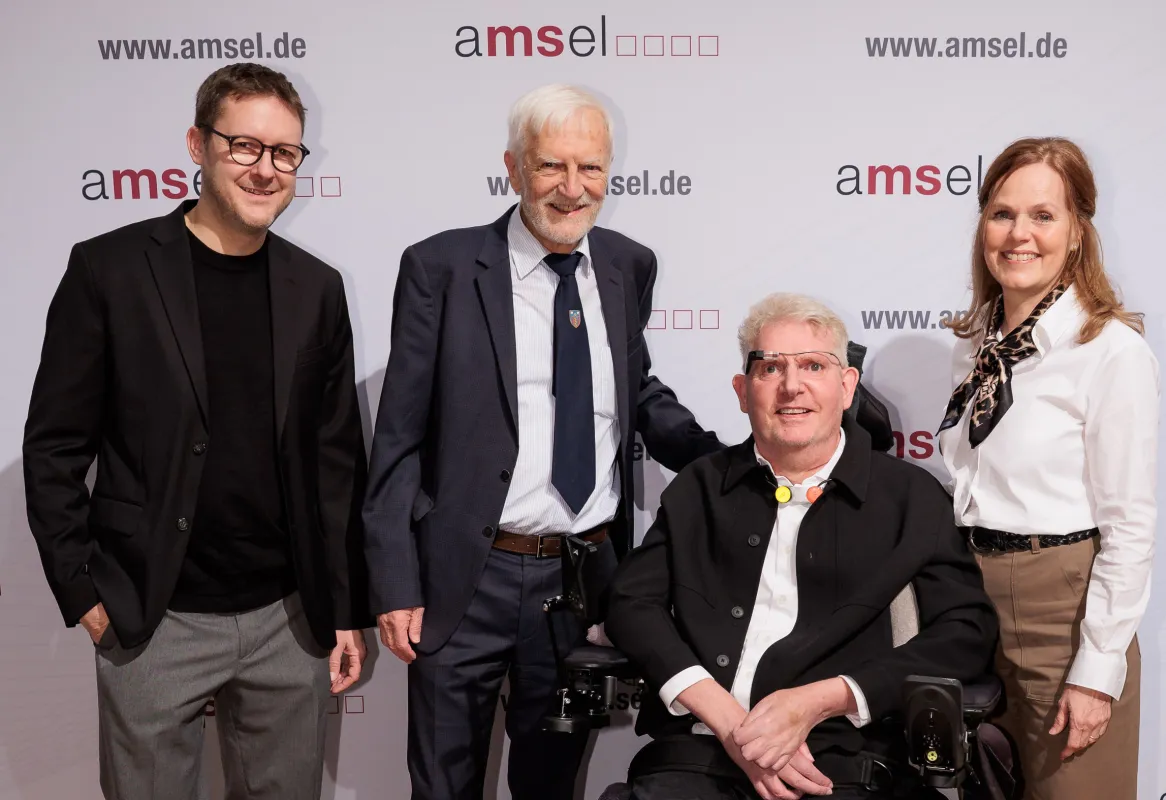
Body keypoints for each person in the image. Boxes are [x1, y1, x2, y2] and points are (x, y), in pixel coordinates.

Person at [359, 83, 726, 800]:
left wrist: (729, 463)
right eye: (551, 165)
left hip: (581, 582)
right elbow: (399, 434)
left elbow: (632, 390)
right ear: (513, 167)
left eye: (591, 167)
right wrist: (395, 582)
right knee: (443, 787)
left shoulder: (628, 265)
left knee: (552, 787)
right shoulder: (441, 267)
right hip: (464, 579)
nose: (572, 187)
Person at [22, 63, 372, 800]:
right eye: (244, 145)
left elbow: (336, 462)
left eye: (285, 153)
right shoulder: (109, 270)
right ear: (197, 144)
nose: (265, 169)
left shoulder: (317, 287)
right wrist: (83, 593)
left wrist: (343, 608)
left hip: (288, 620)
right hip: (154, 618)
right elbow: (54, 447)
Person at [604, 293, 998, 800]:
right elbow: (632, 603)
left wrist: (822, 700)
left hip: (843, 761)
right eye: (770, 368)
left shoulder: (910, 497)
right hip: (697, 752)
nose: (792, 386)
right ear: (743, 391)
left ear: (846, 386)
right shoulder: (699, 488)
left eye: (814, 365)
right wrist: (728, 719)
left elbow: (965, 632)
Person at [938, 137, 1158, 799]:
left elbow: (1130, 525)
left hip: (1062, 607)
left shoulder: (1110, 351)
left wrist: (1097, 668)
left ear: (1078, 231)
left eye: (1043, 215)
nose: (1019, 234)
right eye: (1002, 214)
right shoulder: (977, 345)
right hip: (969, 606)